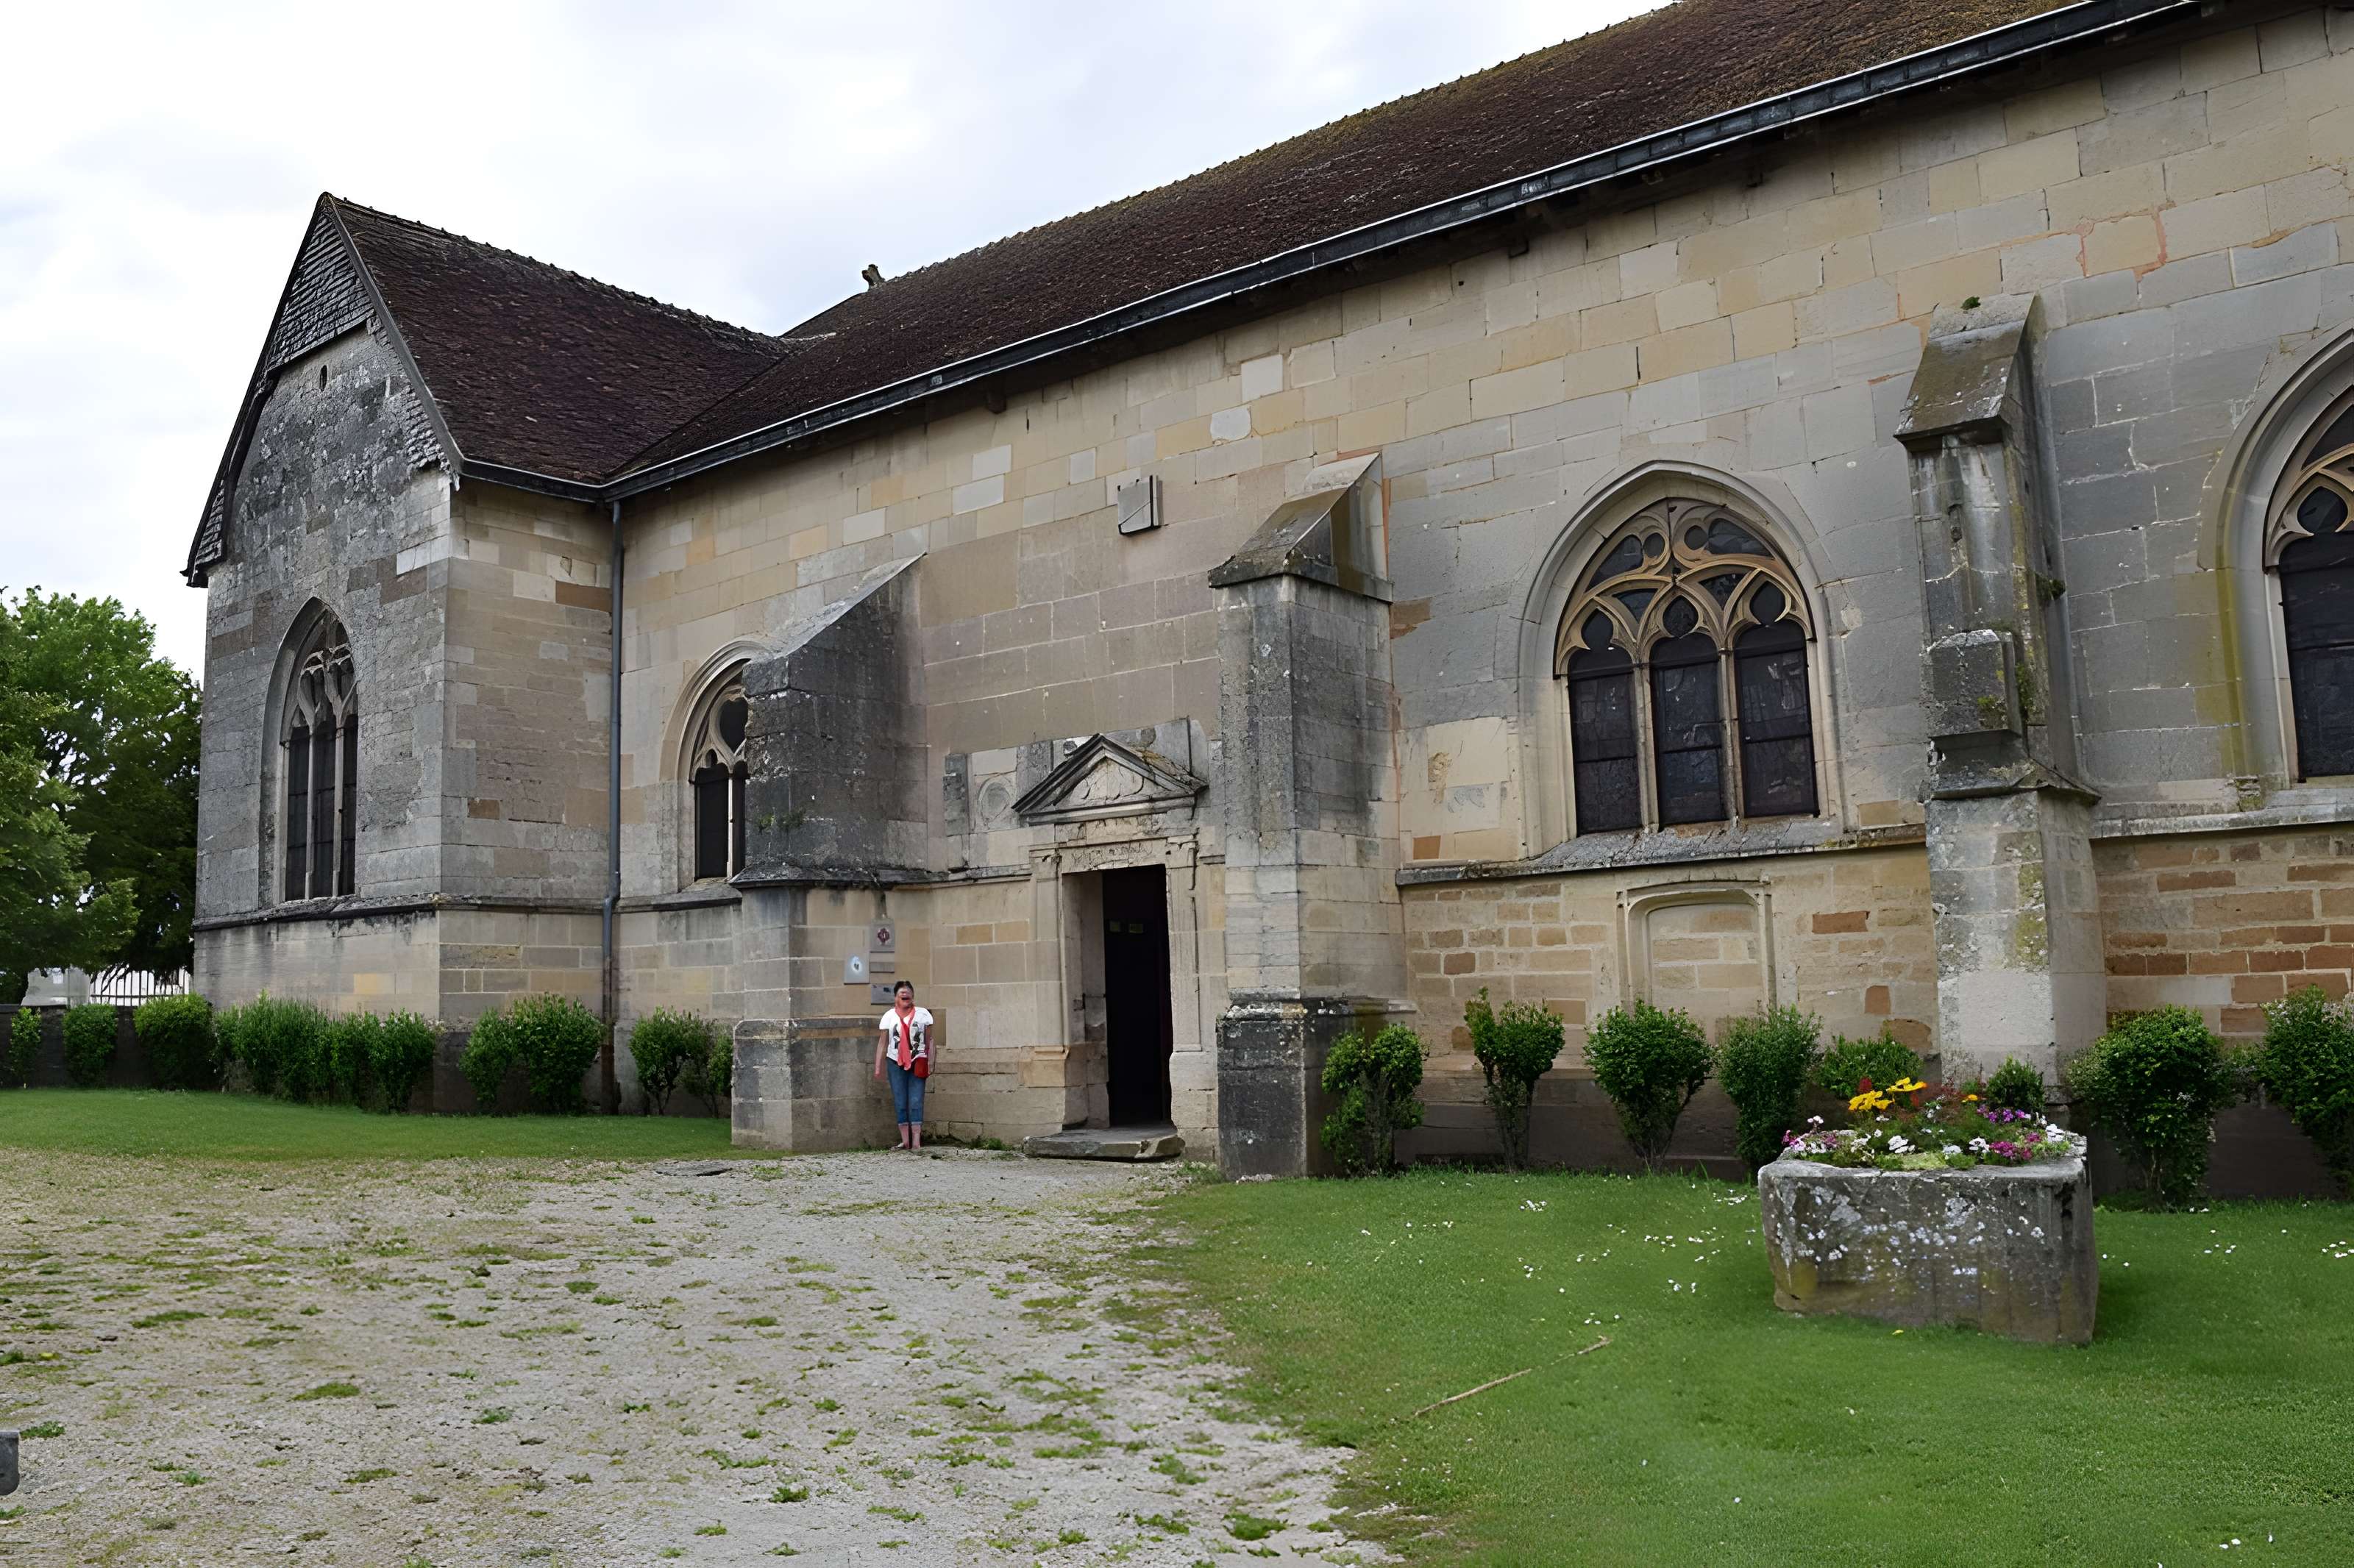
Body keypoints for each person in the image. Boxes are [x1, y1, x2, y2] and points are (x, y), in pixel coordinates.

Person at [872, 980, 934, 1150]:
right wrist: (878, 1067)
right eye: (902, 993)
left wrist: (931, 1061)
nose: (905, 995)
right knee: (900, 1101)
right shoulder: (889, 1016)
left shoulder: (923, 1015)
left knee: (916, 1100)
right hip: (894, 1061)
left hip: (918, 1060)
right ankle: (905, 1141)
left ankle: (916, 1142)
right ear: (896, 998)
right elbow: (882, 1043)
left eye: (908, 992)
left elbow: (929, 1040)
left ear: (912, 996)